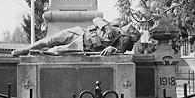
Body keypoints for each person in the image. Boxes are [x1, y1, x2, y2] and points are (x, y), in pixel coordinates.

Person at [12, 18, 140, 56]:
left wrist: (113, 49)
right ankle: (26, 49)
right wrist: (105, 26)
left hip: (84, 45)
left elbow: (120, 53)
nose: (131, 26)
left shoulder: (124, 39)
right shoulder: (115, 23)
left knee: (56, 51)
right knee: (50, 40)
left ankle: (37, 53)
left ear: (132, 35)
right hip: (81, 32)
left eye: (133, 30)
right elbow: (96, 19)